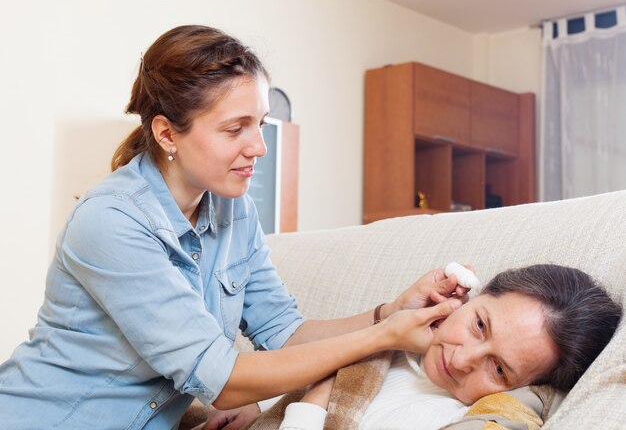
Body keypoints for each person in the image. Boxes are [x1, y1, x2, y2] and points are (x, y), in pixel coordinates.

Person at [0, 25, 470, 430]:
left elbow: (283, 331)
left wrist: (388, 312)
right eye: (235, 129)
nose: (259, 147)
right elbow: (222, 380)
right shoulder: (111, 220)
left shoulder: (233, 210)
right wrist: (384, 337)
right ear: (167, 134)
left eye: (260, 124)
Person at [198, 264, 622, 430]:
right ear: (471, 298)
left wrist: (316, 397)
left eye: (499, 370)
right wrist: (261, 402)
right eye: (478, 325)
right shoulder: (400, 343)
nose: (461, 359)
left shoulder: (443, 417)